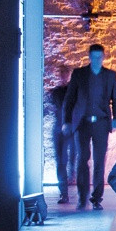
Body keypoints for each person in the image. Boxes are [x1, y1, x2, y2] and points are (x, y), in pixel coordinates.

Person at [63, 43, 116, 210]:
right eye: (94, 57)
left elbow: (115, 99)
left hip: (101, 122)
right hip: (82, 122)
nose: (96, 60)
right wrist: (67, 121)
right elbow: (70, 98)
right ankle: (82, 197)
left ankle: (96, 198)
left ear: (103, 57)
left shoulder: (110, 75)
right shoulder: (79, 74)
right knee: (82, 159)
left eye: (99, 57)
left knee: (99, 161)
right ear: (89, 57)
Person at [47, 74, 76, 204]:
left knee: (71, 159)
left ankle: (66, 189)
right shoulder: (58, 92)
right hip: (61, 128)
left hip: (69, 128)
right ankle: (64, 192)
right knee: (61, 161)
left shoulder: (67, 92)